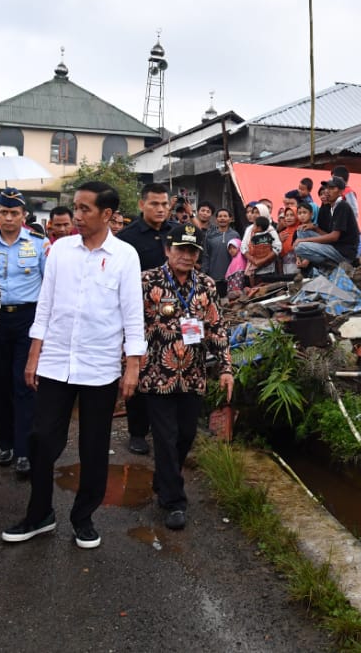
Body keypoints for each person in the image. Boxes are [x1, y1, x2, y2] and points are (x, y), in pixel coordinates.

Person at [1, 181, 145, 550]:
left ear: (107, 214)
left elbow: (133, 314)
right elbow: (45, 305)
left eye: (84, 209)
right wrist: (34, 355)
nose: (76, 216)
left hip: (99, 365)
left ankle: (84, 518)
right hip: (55, 362)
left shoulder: (125, 255)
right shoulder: (60, 251)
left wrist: (132, 365)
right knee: (41, 439)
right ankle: (39, 514)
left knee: (93, 445)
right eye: (75, 208)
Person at [139, 223, 234, 530]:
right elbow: (131, 323)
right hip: (157, 374)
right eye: (181, 249)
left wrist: (226, 368)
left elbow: (217, 327)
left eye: (192, 251)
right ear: (168, 250)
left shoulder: (206, 284)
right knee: (165, 437)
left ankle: (163, 479)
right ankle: (174, 501)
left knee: (186, 435)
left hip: (193, 374)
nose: (186, 256)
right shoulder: (147, 281)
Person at [0, 188, 46, 478]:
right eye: (4, 212)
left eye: (14, 213)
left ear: (24, 216)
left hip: (27, 319)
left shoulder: (39, 244)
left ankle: (24, 450)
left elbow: (48, 285)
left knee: (24, 383)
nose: (8, 218)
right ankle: (5, 444)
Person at [117, 181, 171, 455]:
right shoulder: (127, 238)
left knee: (170, 369)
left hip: (174, 318)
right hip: (140, 318)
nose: (160, 209)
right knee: (138, 371)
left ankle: (165, 428)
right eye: (154, 204)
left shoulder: (178, 233)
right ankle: (137, 432)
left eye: (165, 204)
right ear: (142, 205)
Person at [294, 178, 360, 271]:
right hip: (334, 246)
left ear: (341, 191)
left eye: (332, 188)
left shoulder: (342, 206)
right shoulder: (329, 207)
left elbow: (334, 237)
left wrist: (304, 240)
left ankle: (333, 266)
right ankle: (328, 265)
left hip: (343, 252)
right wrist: (315, 228)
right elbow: (329, 235)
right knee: (302, 231)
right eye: (327, 188)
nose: (327, 191)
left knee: (300, 247)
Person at [202, 207, 240, 294]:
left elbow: (239, 256)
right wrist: (204, 273)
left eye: (225, 216)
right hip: (213, 276)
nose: (222, 218)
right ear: (216, 219)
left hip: (232, 276)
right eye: (220, 216)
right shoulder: (210, 235)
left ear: (230, 219)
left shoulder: (235, 235)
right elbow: (206, 255)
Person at [240, 210, 281, 284]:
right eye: (253, 212)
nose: (254, 215)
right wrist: (254, 260)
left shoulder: (270, 230)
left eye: (257, 212)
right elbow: (243, 247)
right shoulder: (249, 229)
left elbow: (277, 247)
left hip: (268, 269)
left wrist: (262, 261)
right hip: (253, 266)